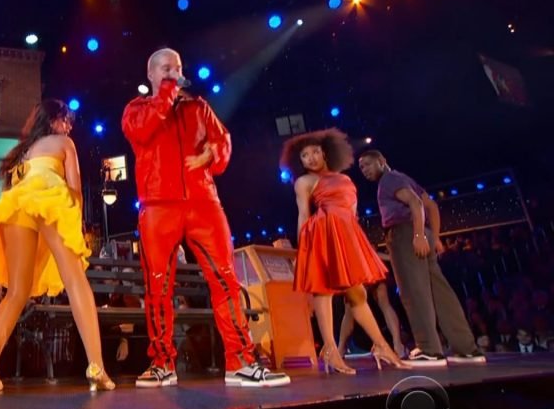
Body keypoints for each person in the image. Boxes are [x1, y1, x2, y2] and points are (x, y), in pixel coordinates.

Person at [121, 47, 289, 387]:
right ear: (150, 74)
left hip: (202, 201)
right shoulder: (137, 109)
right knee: (158, 285)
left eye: (177, 67)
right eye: (165, 68)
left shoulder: (198, 107)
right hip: (157, 204)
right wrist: (167, 92)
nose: (172, 72)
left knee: (225, 280)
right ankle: (162, 363)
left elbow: (223, 141)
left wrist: (212, 154)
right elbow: (142, 130)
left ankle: (240, 361)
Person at [0, 99, 115, 393]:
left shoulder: (22, 154)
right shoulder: (64, 143)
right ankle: (96, 366)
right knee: (76, 281)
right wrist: (75, 229)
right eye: (65, 120)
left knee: (16, 293)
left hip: (17, 207)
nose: (69, 126)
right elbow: (75, 191)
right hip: (51, 200)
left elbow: (10, 190)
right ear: (52, 120)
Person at [280, 129, 408, 374]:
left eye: (315, 152)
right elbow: (303, 216)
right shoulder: (304, 182)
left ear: (325, 152)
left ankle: (381, 346)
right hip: (322, 234)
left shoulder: (345, 180)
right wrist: (301, 252)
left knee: (357, 294)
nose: (311, 158)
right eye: (305, 155)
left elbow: (352, 214)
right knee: (323, 291)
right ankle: (330, 348)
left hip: (347, 236)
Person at [357, 149, 487, 366]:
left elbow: (416, 203)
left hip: (404, 234)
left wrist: (418, 235)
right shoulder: (403, 177)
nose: (364, 170)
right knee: (440, 292)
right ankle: (466, 348)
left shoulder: (389, 180)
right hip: (419, 232)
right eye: (361, 168)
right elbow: (431, 205)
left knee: (413, 291)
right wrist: (433, 237)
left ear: (381, 161)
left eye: (367, 164)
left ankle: (429, 349)